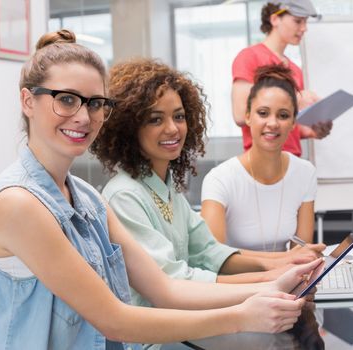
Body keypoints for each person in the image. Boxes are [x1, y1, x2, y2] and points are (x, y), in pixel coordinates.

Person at [0, 30, 323, 349]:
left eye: (95, 103)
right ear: (28, 101)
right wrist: (245, 314)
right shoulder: (19, 204)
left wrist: (274, 285)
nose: (84, 117)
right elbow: (114, 320)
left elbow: (164, 288)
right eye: (67, 99)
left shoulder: (88, 198)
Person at [90, 59, 323, 310]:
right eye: (155, 120)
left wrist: (280, 263)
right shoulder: (125, 196)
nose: (172, 128)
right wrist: (269, 280)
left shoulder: (166, 188)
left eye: (179, 117)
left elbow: (210, 253)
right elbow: (174, 281)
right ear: (130, 127)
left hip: (185, 323)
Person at [201, 64, 317, 252]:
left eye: (283, 115)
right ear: (247, 116)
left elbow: (302, 252)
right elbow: (213, 258)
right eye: (263, 113)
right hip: (236, 281)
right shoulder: (220, 179)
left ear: (293, 122)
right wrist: (284, 262)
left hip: (287, 278)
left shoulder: (305, 173)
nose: (272, 123)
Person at [231, 0, 332, 157]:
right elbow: (240, 114)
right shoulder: (249, 57)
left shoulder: (295, 70)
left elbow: (285, 125)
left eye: (305, 22)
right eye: (298, 21)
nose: (304, 28)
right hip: (261, 163)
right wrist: (295, 98)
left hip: (292, 161)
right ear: (275, 19)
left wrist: (309, 131)